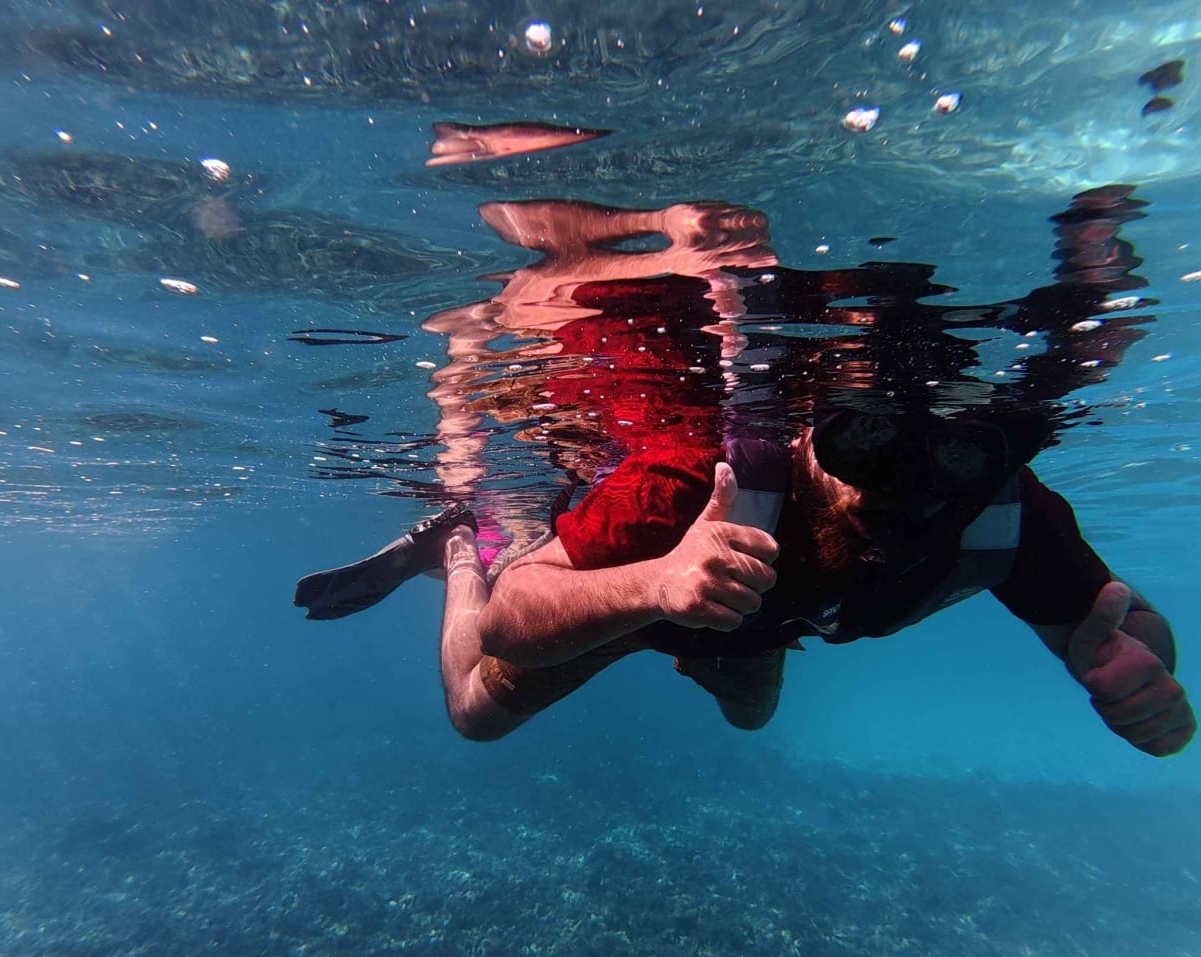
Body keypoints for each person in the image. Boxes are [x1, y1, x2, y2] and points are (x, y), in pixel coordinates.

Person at [294, 188, 1194, 757]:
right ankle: (460, 541)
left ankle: (684, 622)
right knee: (476, 711)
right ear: (804, 434)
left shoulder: (991, 499)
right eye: (865, 443)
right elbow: (511, 622)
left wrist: (1135, 668)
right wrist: (657, 581)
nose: (906, 482)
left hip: (749, 613)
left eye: (949, 448)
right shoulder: (694, 483)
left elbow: (1116, 622)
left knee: (754, 717)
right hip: (643, 589)